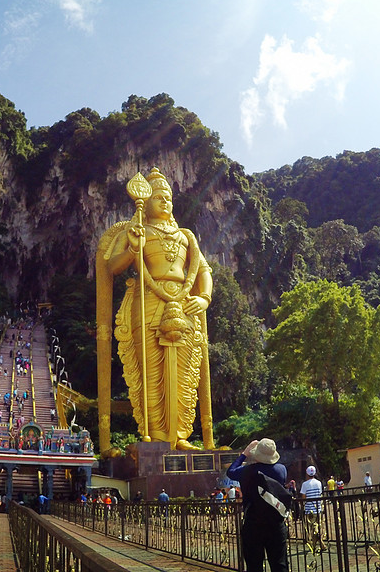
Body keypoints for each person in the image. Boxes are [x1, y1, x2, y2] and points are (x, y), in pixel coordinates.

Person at [97, 168, 215, 452]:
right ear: (146, 202)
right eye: (159, 197)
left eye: (168, 198)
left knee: (185, 372)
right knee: (150, 373)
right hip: (148, 301)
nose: (165, 202)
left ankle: (181, 435)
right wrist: (132, 250)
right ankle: (158, 436)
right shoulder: (137, 231)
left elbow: (204, 271)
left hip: (185, 303)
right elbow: (111, 267)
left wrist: (205, 299)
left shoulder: (186, 236)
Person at [226, 438, 289, 572]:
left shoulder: (246, 471)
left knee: (254, 566)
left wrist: (245, 453)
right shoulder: (281, 470)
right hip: (276, 523)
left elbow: (230, 471)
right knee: (279, 564)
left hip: (253, 523)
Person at [300, 465, 325, 554]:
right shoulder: (319, 483)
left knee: (312, 528)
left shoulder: (305, 484)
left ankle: (314, 545)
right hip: (318, 508)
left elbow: (303, 497)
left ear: (307, 474)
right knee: (318, 525)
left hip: (309, 510)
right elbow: (320, 493)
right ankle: (321, 542)